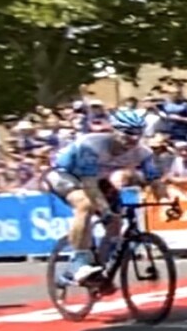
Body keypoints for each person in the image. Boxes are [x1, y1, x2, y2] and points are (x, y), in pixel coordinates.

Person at [46, 110, 172, 285]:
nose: (133, 139)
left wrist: (166, 201)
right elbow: (88, 184)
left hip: (97, 180)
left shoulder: (143, 152)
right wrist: (104, 210)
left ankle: (100, 271)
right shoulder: (91, 144)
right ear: (114, 130)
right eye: (128, 133)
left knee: (115, 225)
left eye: (138, 134)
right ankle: (78, 263)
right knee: (86, 204)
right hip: (66, 175)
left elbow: (155, 180)